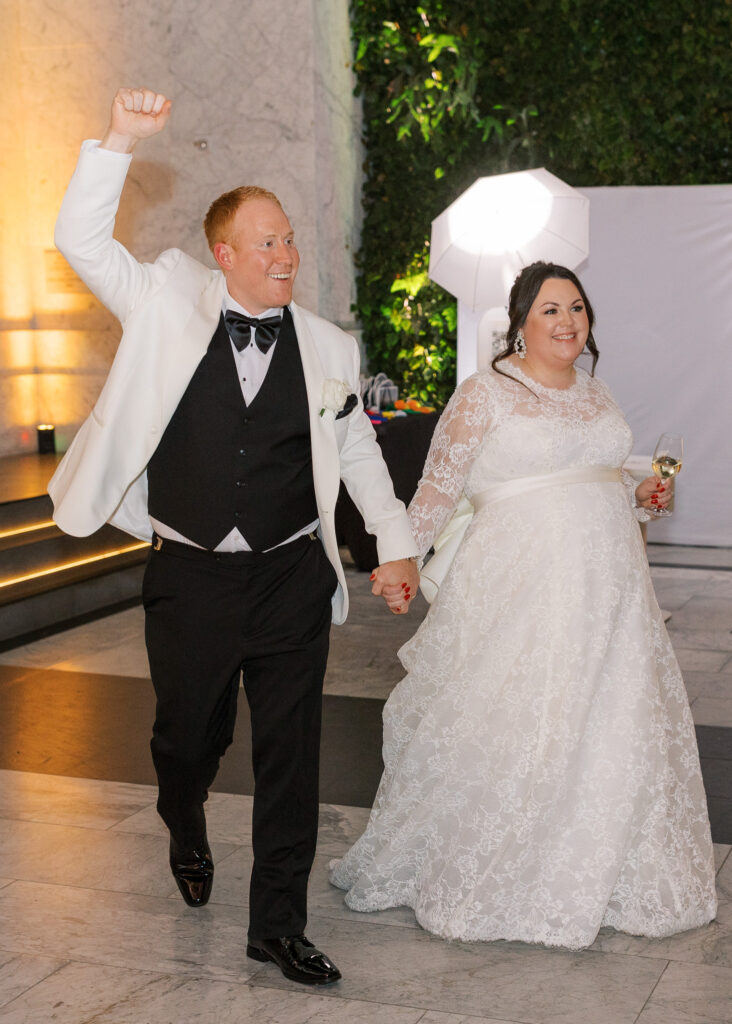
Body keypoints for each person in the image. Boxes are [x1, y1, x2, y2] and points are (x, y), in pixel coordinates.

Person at [50, 87, 419, 986]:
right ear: (224, 255)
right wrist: (120, 141)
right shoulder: (165, 300)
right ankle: (184, 815)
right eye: (270, 241)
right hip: (190, 577)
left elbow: (357, 451)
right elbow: (81, 243)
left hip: (292, 574)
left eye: (291, 238)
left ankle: (277, 925)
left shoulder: (329, 346)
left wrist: (396, 541)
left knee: (291, 754)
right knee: (187, 738)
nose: (288, 253)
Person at [330, 261, 717, 949]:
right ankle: (506, 871)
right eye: (550, 310)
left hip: (611, 594)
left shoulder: (596, 394)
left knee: (605, 723)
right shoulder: (486, 394)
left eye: (576, 307)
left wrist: (640, 496)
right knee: (517, 718)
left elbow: (593, 481)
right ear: (520, 323)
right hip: (521, 591)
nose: (567, 321)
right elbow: (438, 490)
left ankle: (598, 869)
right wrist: (400, 560)